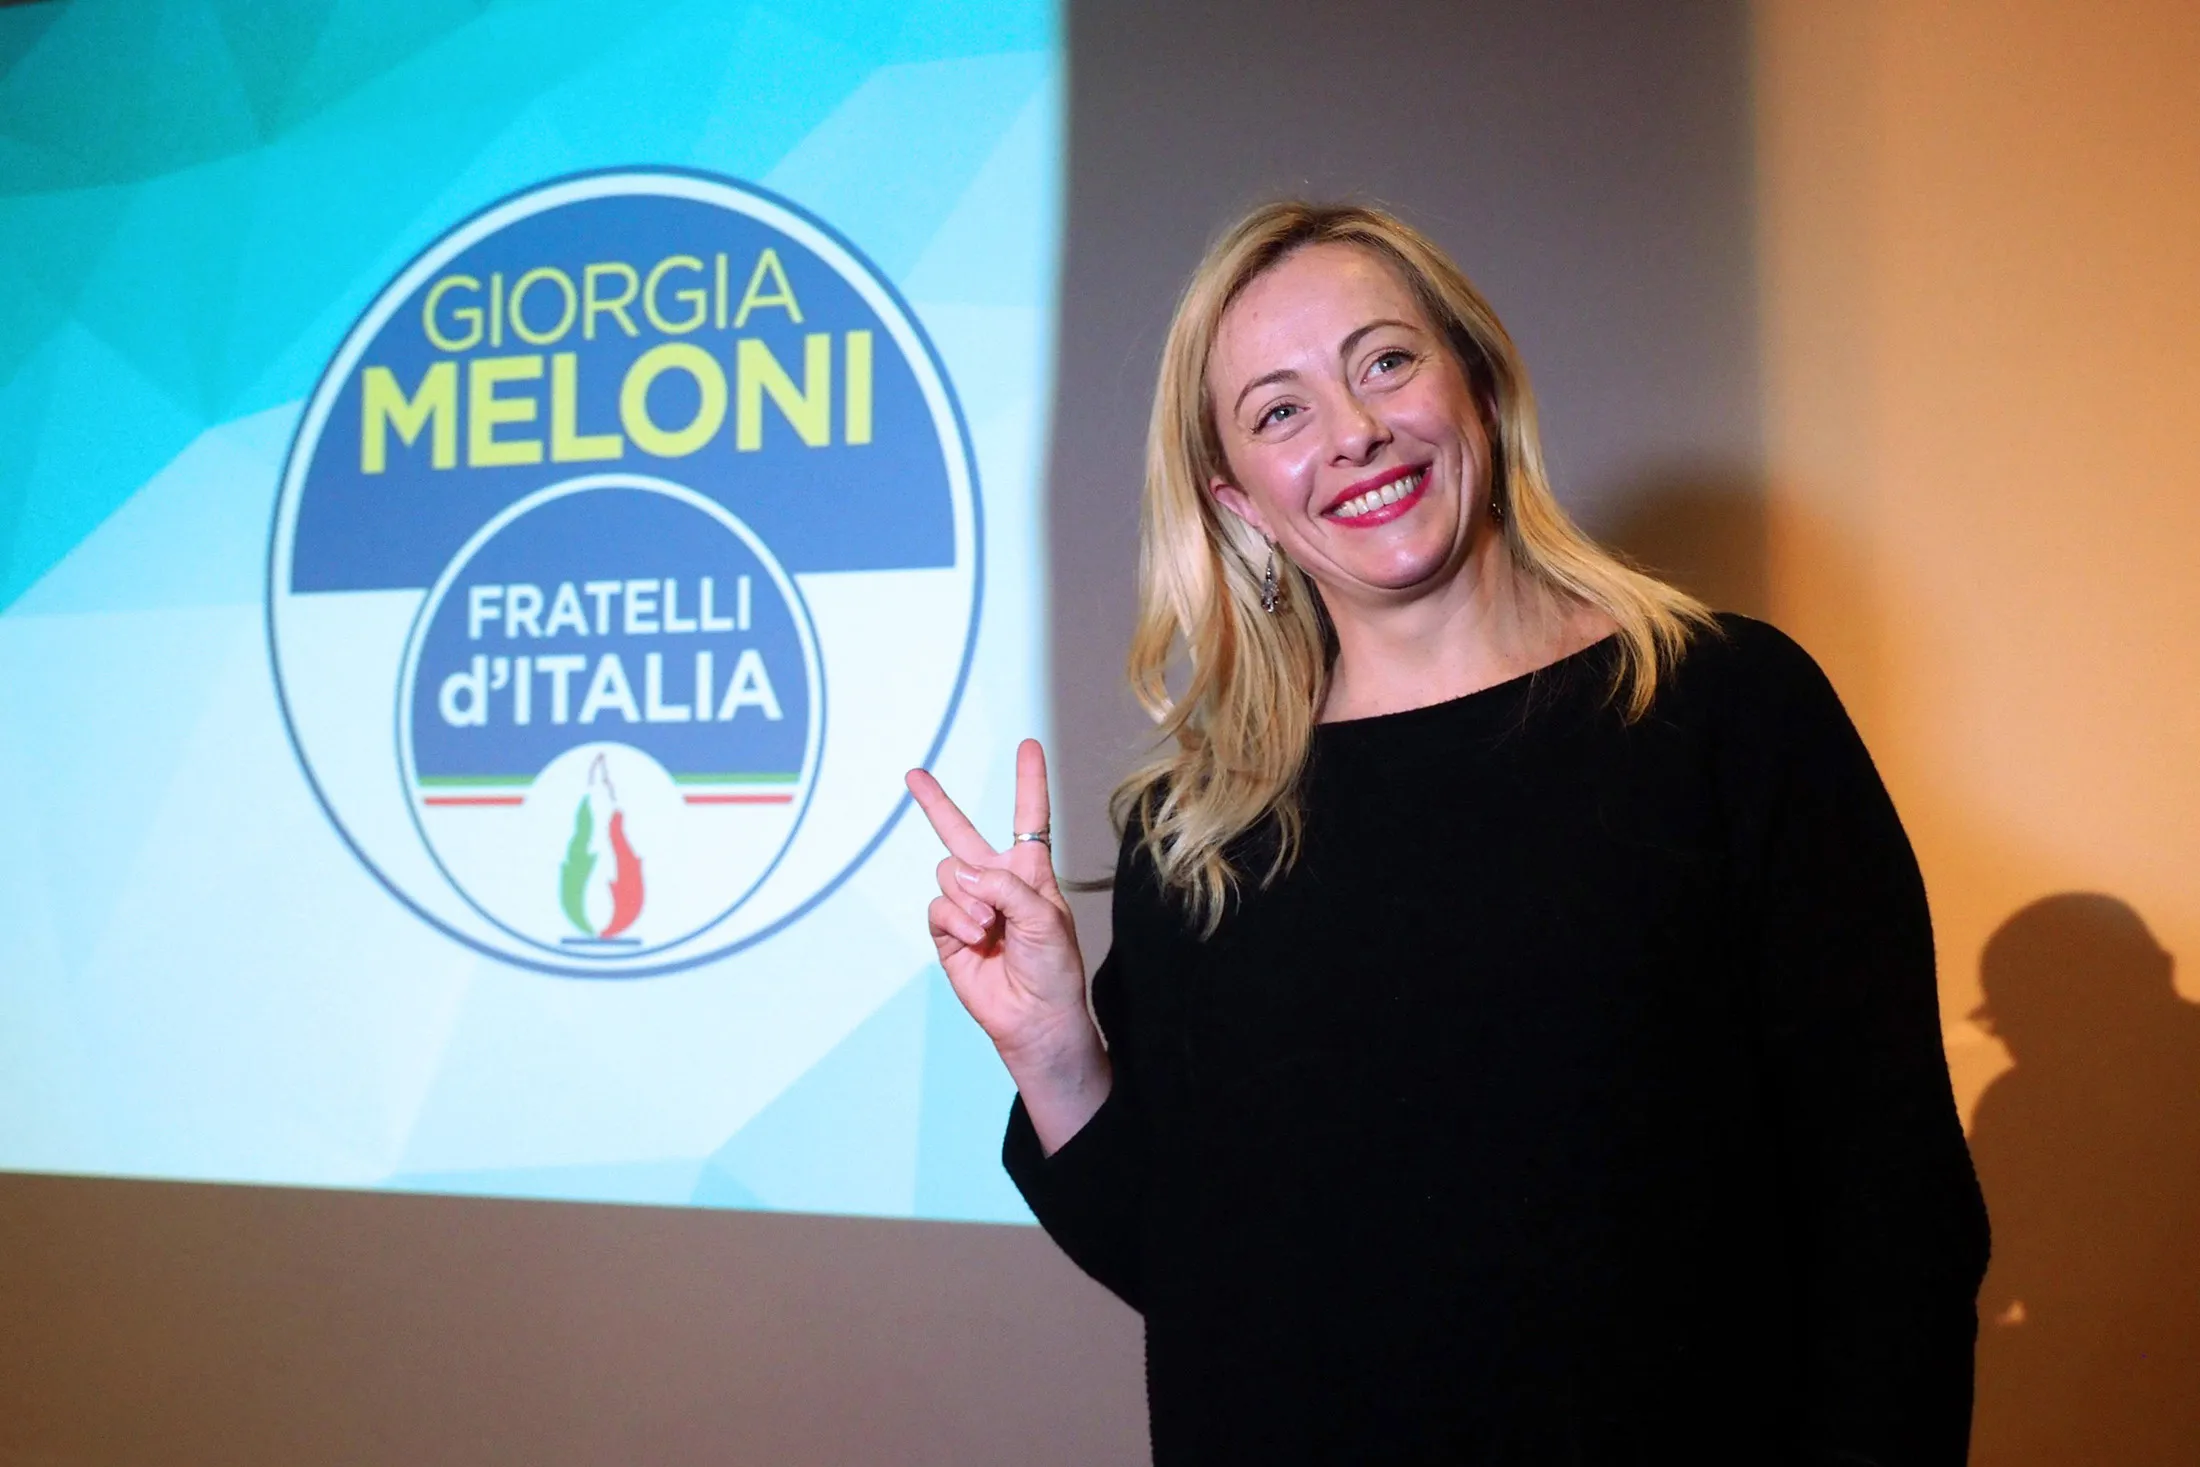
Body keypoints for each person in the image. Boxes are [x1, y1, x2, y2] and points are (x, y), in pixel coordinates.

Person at [906, 201, 1989, 1465]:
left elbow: (1893, 1223)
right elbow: (1203, 1284)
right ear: (1238, 500)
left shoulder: (1724, 713)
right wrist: (1054, 1054)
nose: (1353, 431)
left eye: (1385, 361)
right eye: (1278, 411)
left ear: (1475, 380)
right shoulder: (1198, 827)